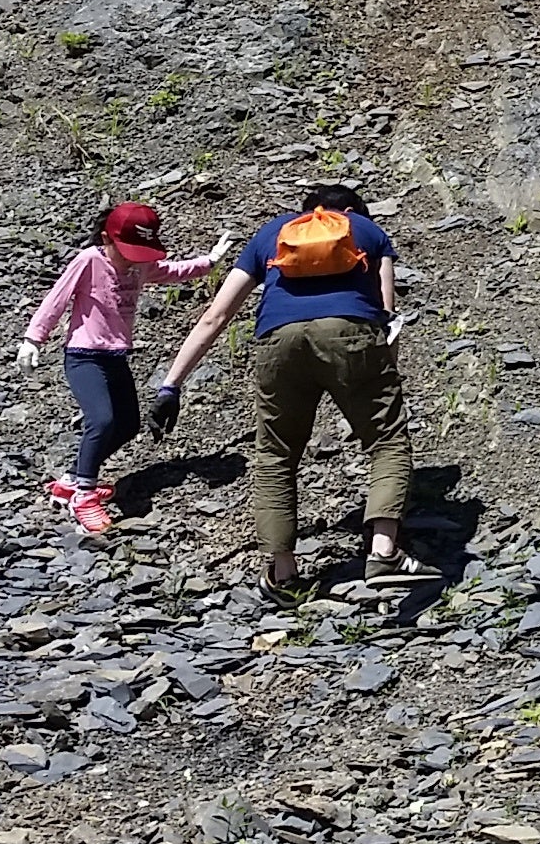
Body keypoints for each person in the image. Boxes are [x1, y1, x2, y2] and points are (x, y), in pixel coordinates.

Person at [154, 185, 418, 597]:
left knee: (276, 456)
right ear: (350, 211)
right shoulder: (367, 230)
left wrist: (172, 383)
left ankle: (283, 574)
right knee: (386, 442)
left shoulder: (271, 234)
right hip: (350, 334)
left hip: (278, 342)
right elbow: (386, 313)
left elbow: (216, 315)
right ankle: (383, 553)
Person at [18, 204, 230, 534]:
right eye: (128, 251)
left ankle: (72, 479)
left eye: (141, 252)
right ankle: (84, 496)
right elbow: (56, 300)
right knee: (101, 420)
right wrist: (34, 339)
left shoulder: (140, 267)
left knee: (129, 424)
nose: (134, 259)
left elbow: (171, 272)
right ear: (107, 238)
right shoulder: (89, 261)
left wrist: (209, 262)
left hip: (116, 356)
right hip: (84, 355)